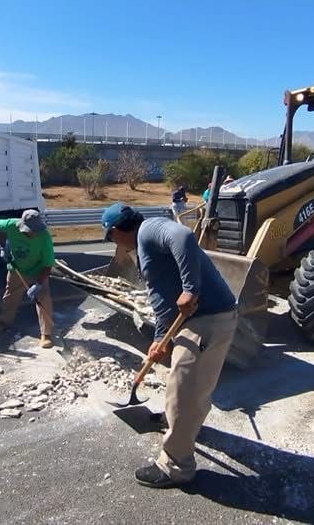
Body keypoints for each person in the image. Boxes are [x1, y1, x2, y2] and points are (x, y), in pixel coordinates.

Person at [102, 202, 238, 489]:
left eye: (110, 237)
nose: (113, 243)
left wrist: (191, 289)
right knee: (189, 387)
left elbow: (184, 237)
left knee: (185, 392)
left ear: (116, 231)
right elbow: (161, 297)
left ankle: (176, 467)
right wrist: (158, 340)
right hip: (196, 322)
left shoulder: (149, 229)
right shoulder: (142, 246)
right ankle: (177, 424)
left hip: (207, 320)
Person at [0, 209, 56, 348]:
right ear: (23, 226)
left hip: (38, 270)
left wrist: (38, 284)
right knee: (10, 295)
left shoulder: (44, 237)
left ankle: (46, 334)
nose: (34, 233)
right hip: (17, 269)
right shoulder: (10, 225)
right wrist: (2, 246)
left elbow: (48, 264)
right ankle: (4, 322)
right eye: (31, 231)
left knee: (43, 298)